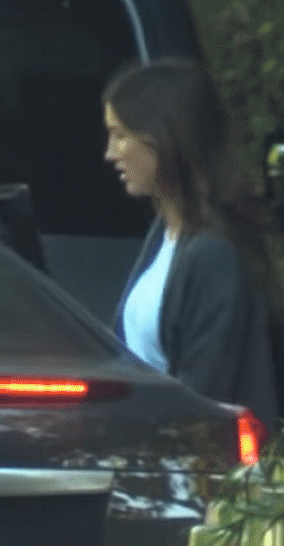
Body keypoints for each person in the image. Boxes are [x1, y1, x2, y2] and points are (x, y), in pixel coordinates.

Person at [106, 58, 279, 429]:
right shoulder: (164, 237)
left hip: (196, 474)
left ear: (164, 136)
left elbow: (204, 397)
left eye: (121, 135)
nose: (111, 153)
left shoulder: (214, 253)